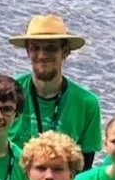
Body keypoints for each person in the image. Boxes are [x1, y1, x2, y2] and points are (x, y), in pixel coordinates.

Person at [7, 14, 104, 165]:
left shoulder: (87, 104)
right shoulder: (9, 93)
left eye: (50, 48)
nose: (42, 55)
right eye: (35, 48)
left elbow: (85, 167)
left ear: (65, 51)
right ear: (27, 51)